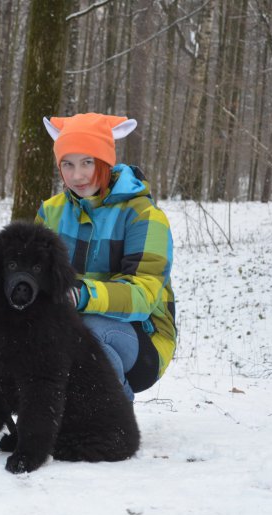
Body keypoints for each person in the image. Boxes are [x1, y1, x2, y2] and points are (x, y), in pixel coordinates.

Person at [36, 112, 177, 402]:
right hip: (67, 322)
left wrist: (83, 295)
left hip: (142, 337)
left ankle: (113, 423)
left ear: (106, 162)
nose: (77, 175)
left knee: (85, 334)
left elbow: (144, 295)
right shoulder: (51, 212)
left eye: (88, 162)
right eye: (68, 164)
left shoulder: (143, 215)